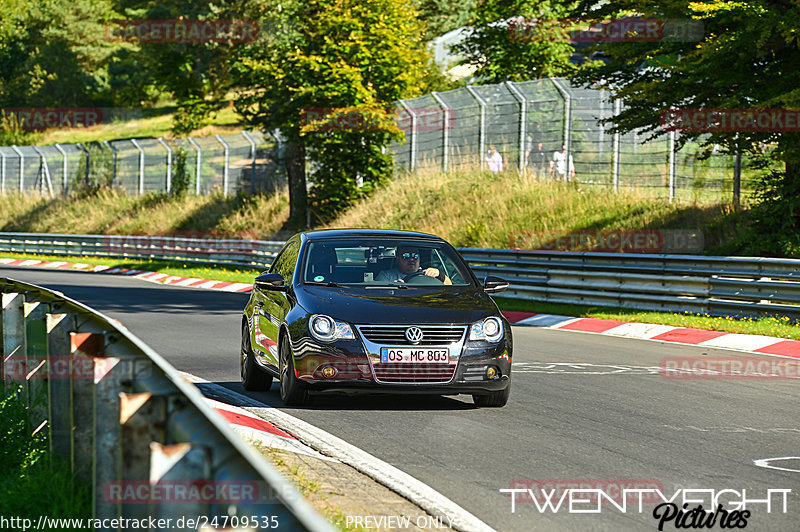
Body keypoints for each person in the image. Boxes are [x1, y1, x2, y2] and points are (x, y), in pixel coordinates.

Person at [376, 246, 451, 284]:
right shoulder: (386, 276)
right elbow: (378, 295)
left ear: (419, 258)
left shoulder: (428, 274)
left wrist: (440, 275)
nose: (411, 259)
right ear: (398, 259)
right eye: (406, 256)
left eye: (415, 256)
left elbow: (450, 288)